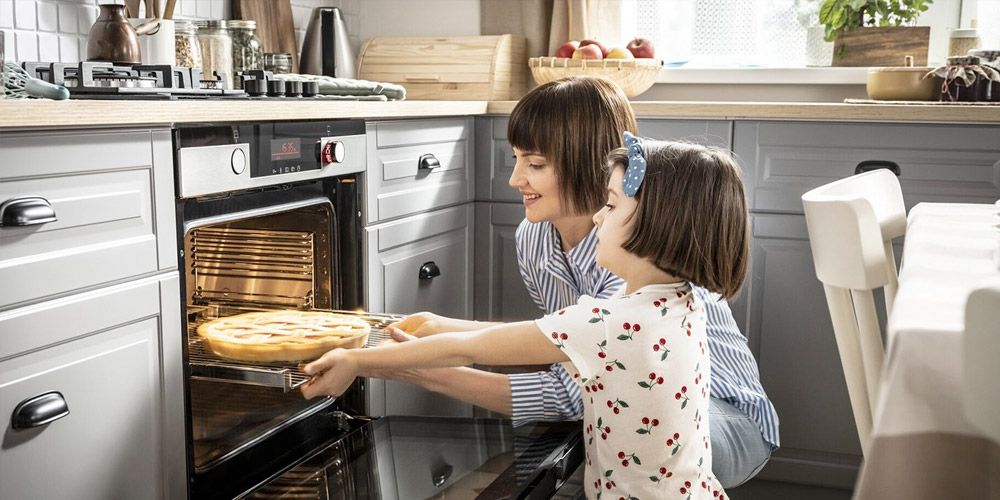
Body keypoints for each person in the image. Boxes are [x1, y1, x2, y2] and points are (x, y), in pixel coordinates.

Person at [373, 76, 778, 488]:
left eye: (535, 165)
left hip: (726, 416)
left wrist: (423, 370)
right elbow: (564, 345)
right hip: (625, 393)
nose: (515, 179)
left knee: (606, 423)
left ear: (590, 167)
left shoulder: (636, 258)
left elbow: (570, 395)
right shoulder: (533, 239)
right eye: (516, 159)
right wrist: (445, 330)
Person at [301, 136, 750, 499]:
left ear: (657, 225)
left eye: (611, 206)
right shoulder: (676, 303)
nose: (597, 217)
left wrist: (357, 362)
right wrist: (438, 322)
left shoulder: (611, 323)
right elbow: (520, 336)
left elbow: (471, 350)